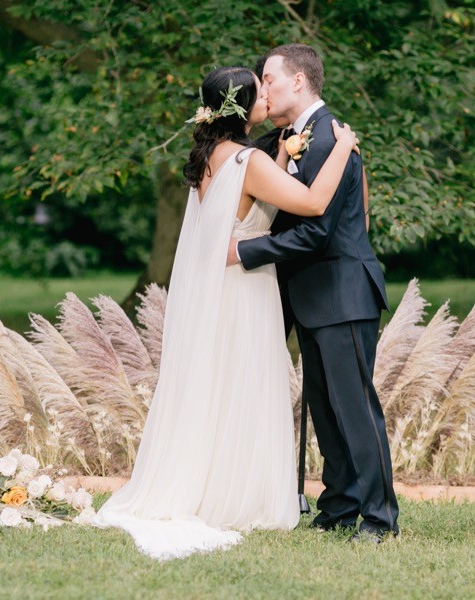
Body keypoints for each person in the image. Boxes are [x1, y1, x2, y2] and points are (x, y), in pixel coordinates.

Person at [92, 65, 359, 560]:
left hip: (230, 285)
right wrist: (344, 146)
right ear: (243, 108)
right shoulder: (245, 160)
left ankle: (214, 483)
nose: (268, 96)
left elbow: (247, 204)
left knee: (224, 384)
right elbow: (313, 202)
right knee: (244, 383)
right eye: (261, 92)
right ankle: (240, 494)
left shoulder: (212, 157)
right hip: (244, 288)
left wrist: (280, 152)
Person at [228, 44, 399, 543]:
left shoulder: (327, 137)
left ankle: (379, 516)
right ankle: (340, 505)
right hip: (314, 295)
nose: (264, 88)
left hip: (343, 292)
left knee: (355, 407)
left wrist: (247, 251)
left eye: (270, 79)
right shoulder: (291, 138)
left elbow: (318, 232)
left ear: (299, 83)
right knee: (325, 409)